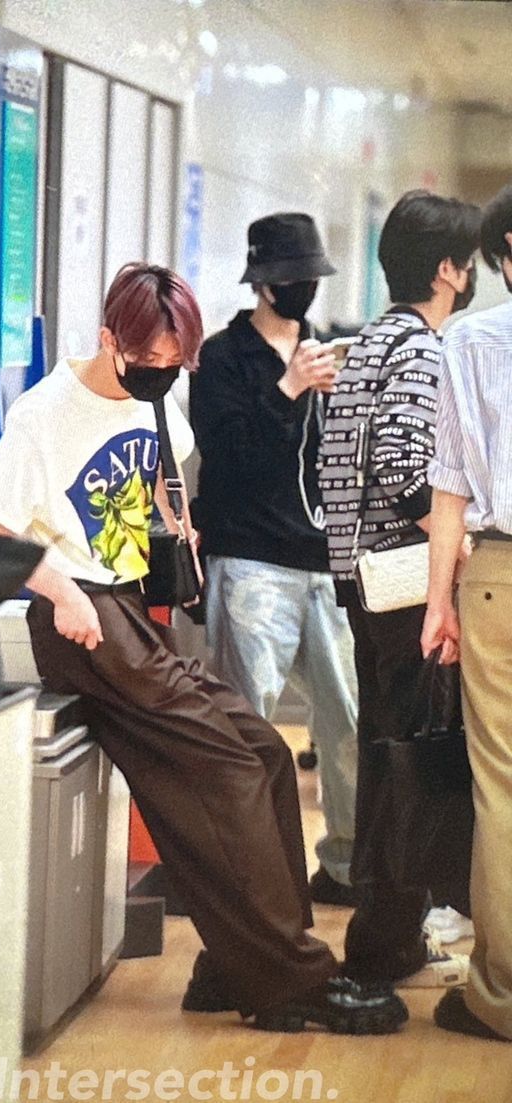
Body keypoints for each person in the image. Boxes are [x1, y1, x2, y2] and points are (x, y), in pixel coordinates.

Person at [0, 262, 406, 1034]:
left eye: (178, 365)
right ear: (111, 339)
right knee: (231, 768)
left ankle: (235, 961)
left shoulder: (158, 401)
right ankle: (292, 980)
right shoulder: (46, 413)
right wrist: (65, 592)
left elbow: (153, 484)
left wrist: (175, 528)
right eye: (153, 363)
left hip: (135, 613)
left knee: (267, 752)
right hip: (85, 623)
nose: (165, 377)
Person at [319, 190, 480, 988]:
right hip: (404, 586)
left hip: (358, 582)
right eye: (470, 260)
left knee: (388, 760)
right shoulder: (422, 350)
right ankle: (386, 942)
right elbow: (408, 472)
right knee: (412, 769)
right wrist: (461, 545)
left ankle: (387, 937)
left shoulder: (370, 341)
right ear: (447, 270)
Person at [189, 213, 358, 907]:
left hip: (325, 559)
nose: (302, 292)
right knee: (245, 722)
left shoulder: (323, 350)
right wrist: (286, 390)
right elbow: (226, 455)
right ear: (262, 283)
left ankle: (345, 865)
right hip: (251, 559)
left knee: (347, 718)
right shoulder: (222, 357)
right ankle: (245, 877)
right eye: (291, 280)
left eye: (310, 280)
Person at [421, 183, 512, 1043]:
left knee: (504, 786)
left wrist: (438, 602)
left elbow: (450, 481)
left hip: (501, 579)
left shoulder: (472, 341)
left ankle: (501, 994)